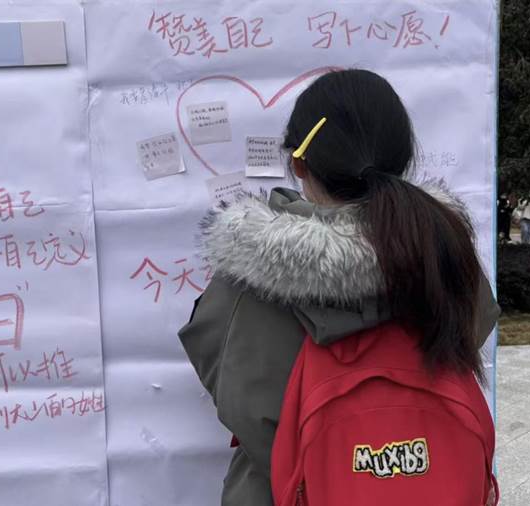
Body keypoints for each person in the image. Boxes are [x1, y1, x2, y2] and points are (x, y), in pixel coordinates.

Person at [178, 70, 500, 505]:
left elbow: (240, 404)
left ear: (299, 164)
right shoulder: (443, 253)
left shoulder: (248, 280)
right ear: (402, 160)